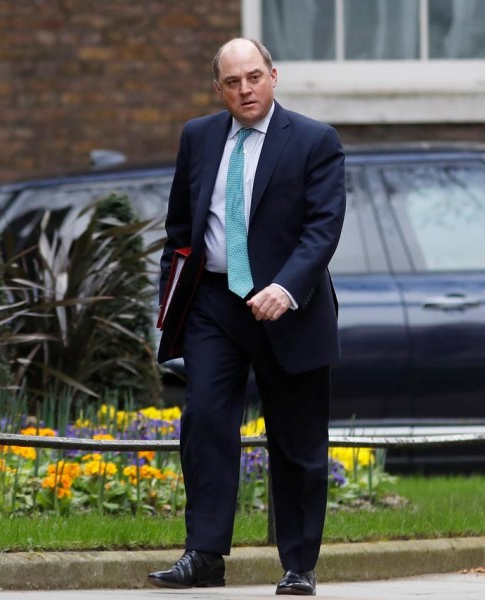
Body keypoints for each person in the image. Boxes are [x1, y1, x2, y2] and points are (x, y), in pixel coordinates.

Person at [148, 38, 345, 596]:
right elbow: (180, 229)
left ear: (274, 76)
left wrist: (287, 287)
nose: (245, 90)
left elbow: (323, 228)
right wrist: (172, 302)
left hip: (289, 309)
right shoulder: (198, 136)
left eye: (254, 77)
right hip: (213, 305)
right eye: (233, 82)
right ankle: (205, 556)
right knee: (206, 421)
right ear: (219, 88)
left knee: (298, 441)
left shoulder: (314, 141)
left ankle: (299, 566)